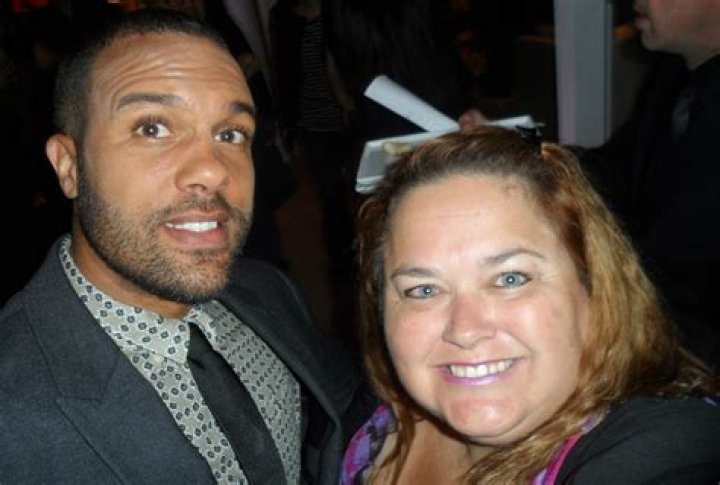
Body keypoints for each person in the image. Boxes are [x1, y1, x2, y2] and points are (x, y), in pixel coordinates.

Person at [0, 8, 374, 484]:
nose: (214, 170)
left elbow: (344, 416)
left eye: (230, 134)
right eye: (152, 128)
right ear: (69, 166)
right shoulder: (12, 421)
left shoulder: (268, 289)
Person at [342, 125, 720, 483]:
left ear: (594, 289)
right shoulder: (377, 411)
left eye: (510, 279)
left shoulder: (663, 443)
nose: (465, 330)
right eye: (424, 290)